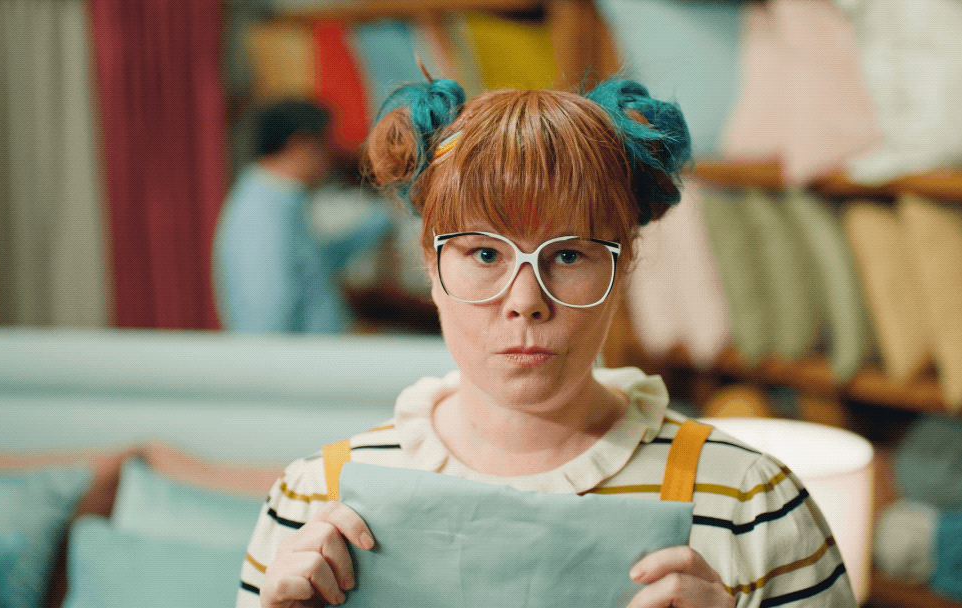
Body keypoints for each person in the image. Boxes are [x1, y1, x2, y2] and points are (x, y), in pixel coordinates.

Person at [236, 78, 856, 607]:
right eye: (483, 252)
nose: (525, 298)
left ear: (623, 269)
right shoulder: (313, 499)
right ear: (431, 266)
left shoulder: (753, 501)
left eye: (567, 254)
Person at [213, 99, 391, 333]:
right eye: (327, 142)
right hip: (296, 366)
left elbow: (314, 265)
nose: (333, 153)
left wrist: (383, 218)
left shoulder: (281, 202)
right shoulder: (261, 218)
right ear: (301, 145)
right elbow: (265, 322)